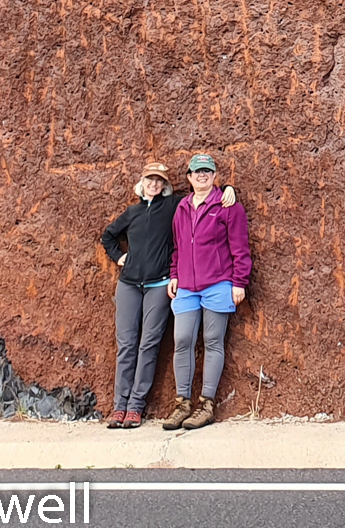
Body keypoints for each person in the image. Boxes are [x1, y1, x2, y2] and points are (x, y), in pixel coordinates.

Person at [163, 153, 250, 431]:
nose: (202, 175)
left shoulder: (228, 205)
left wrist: (240, 281)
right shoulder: (182, 208)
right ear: (189, 177)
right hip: (187, 287)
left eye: (207, 171)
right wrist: (174, 275)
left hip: (218, 284)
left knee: (213, 340)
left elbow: (240, 246)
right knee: (183, 340)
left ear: (214, 176)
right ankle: (182, 404)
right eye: (197, 171)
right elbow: (177, 246)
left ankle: (207, 404)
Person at [99, 160, 177, 428]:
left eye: (159, 181)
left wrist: (227, 190)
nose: (153, 184)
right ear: (141, 183)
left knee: (149, 345)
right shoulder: (131, 212)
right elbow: (108, 236)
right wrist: (119, 257)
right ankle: (119, 407)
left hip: (159, 285)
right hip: (129, 285)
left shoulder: (171, 207)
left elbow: (201, 196)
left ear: (165, 185)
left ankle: (135, 407)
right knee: (127, 345)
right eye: (149, 180)